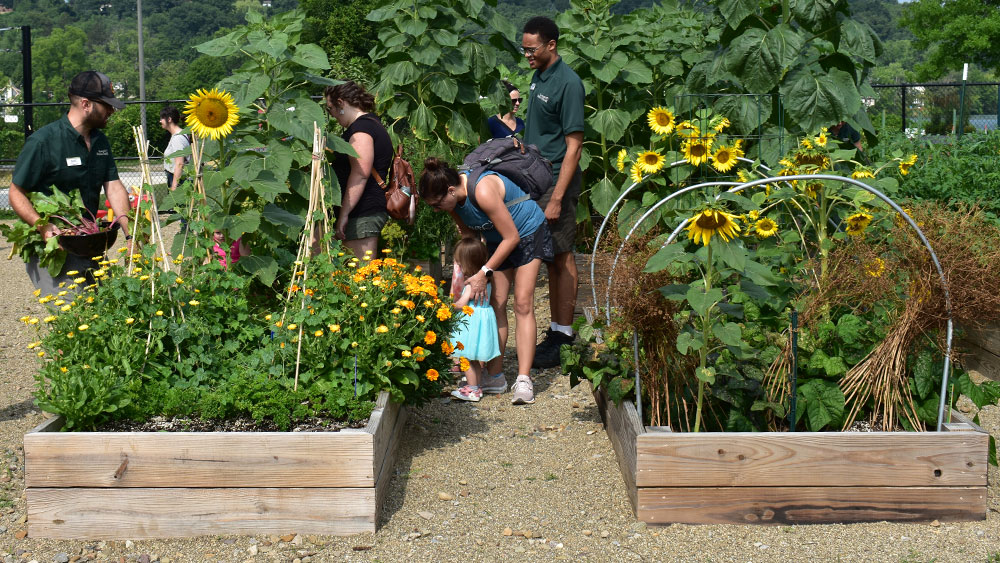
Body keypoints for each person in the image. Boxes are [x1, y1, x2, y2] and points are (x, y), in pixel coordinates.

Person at [419, 157, 554, 405]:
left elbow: (512, 237)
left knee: (523, 303)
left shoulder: (481, 189)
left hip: (526, 233)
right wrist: (468, 277)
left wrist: (484, 273)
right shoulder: (454, 204)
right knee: (496, 303)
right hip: (497, 241)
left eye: (437, 205)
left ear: (450, 190)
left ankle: (524, 379)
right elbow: (470, 238)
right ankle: (495, 376)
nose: (437, 210)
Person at [9, 70, 132, 295]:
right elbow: (16, 192)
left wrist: (130, 234)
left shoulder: (100, 141)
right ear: (86, 104)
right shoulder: (43, 142)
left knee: (110, 309)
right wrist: (42, 225)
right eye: (106, 105)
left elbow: (113, 186)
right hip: (55, 249)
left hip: (89, 245)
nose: (112, 110)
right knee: (76, 316)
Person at [520, 16, 586, 369]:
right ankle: (556, 331)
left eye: (532, 49)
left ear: (551, 45)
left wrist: (558, 197)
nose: (527, 54)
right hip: (536, 178)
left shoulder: (568, 83)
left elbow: (574, 147)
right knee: (548, 257)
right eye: (524, 48)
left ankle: (563, 337)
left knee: (561, 256)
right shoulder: (538, 76)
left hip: (556, 180)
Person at [325, 81, 392, 258]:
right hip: (362, 212)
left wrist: (344, 214)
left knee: (360, 277)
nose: (331, 115)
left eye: (330, 108)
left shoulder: (361, 130)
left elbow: (360, 174)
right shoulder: (370, 124)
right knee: (358, 277)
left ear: (341, 103)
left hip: (362, 213)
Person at [449, 237, 501, 402]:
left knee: (466, 358)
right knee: (474, 359)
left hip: (471, 321)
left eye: (459, 263)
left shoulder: (471, 285)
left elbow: (462, 304)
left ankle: (471, 390)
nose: (458, 267)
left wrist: (449, 306)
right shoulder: (487, 282)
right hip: (483, 320)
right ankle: (476, 387)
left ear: (467, 264)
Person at [159, 105, 189, 191]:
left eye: (162, 118)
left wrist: (174, 187)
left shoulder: (178, 138)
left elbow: (180, 164)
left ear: (169, 119)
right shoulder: (178, 134)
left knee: (178, 204)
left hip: (180, 181)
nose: (160, 121)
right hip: (178, 178)